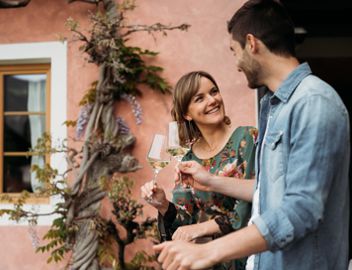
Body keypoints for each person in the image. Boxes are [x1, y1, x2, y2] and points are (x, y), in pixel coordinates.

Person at [153, 1, 350, 270]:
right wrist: (211, 181)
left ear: (251, 43)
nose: (236, 64)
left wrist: (209, 251)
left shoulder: (313, 101)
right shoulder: (274, 107)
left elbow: (302, 209)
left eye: (234, 51)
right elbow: (267, 192)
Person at [141, 70, 257, 270]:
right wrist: (162, 205)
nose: (212, 100)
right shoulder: (189, 158)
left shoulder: (246, 139)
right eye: (200, 98)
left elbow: (251, 206)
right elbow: (184, 223)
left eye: (214, 92)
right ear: (187, 113)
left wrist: (200, 228)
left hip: (245, 259)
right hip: (204, 264)